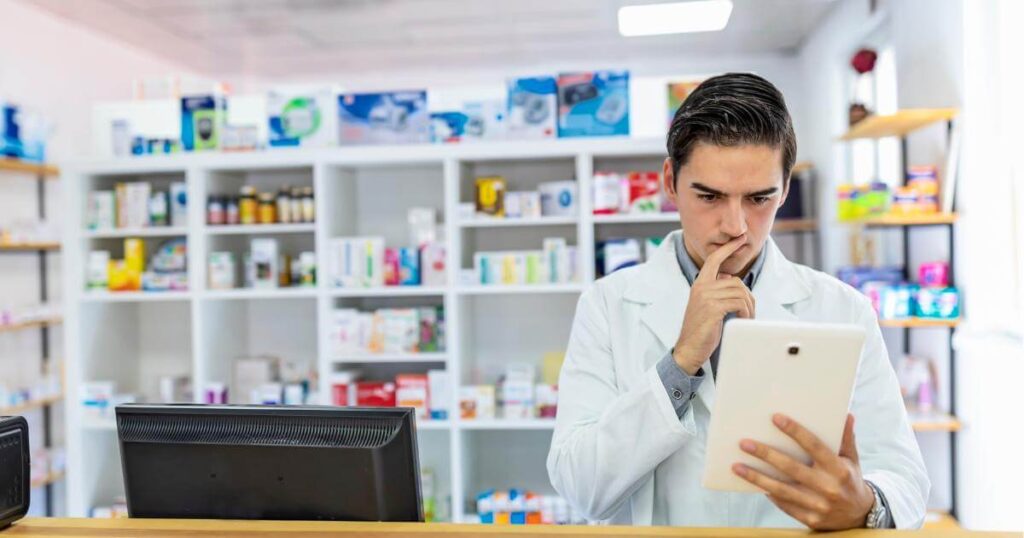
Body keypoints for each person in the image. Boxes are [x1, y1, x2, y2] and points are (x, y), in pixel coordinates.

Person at [547, 73, 929, 530]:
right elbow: (580, 486)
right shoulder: (608, 306)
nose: (735, 226)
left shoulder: (843, 309)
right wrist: (682, 361)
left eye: (759, 198)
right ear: (670, 181)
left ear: (785, 188)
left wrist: (866, 506)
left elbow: (905, 478)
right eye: (709, 196)